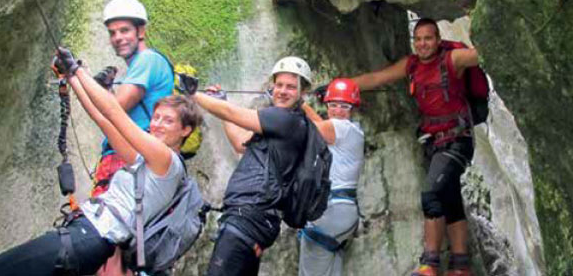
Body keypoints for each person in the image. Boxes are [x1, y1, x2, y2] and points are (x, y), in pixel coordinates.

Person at [0, 49, 202, 276]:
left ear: (185, 130)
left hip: (91, 235)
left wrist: (77, 69)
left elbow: (115, 113)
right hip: (88, 236)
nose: (158, 124)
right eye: (157, 117)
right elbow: (103, 119)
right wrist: (71, 77)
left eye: (168, 120)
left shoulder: (167, 160)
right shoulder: (146, 160)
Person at [351, 18, 480, 276]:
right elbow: (378, 77)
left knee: (431, 194)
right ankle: (460, 265)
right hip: (435, 144)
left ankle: (430, 264)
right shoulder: (411, 65)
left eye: (428, 38)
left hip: (457, 140)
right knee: (450, 200)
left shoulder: (452, 59)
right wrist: (340, 85)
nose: (422, 44)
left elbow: (483, 54)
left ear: (438, 40)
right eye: (418, 39)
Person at [184, 56, 312, 276]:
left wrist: (193, 94)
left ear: (303, 92)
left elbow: (234, 114)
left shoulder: (286, 119)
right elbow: (241, 142)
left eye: (291, 87)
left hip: (248, 218)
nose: (282, 91)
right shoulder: (280, 125)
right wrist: (222, 101)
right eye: (279, 84)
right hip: (253, 220)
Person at [92, 0, 174, 198]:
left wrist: (77, 75)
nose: (117, 37)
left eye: (125, 30)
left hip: (131, 156)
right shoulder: (144, 65)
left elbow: (113, 111)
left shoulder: (146, 60)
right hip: (133, 155)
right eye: (112, 33)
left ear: (141, 31)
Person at [298, 78, 364, 276]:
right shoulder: (351, 132)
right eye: (333, 105)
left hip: (332, 210)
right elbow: (323, 126)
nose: (337, 111)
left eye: (344, 106)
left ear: (353, 109)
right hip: (343, 212)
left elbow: (315, 128)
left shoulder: (343, 128)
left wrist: (297, 102)